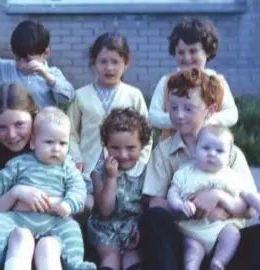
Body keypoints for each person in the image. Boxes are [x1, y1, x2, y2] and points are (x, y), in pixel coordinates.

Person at [139, 68, 259, 270]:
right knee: (152, 219)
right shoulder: (164, 151)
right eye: (173, 107)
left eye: (188, 108)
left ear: (210, 111)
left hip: (226, 242)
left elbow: (249, 208)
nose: (178, 115)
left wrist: (218, 198)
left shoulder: (230, 152)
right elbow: (156, 204)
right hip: (184, 241)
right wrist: (190, 209)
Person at [0, 106, 95, 270]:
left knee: (71, 228)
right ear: (33, 142)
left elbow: (78, 189)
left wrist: (68, 204)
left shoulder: (68, 167)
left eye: (63, 143)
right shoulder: (20, 163)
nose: (56, 148)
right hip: (20, 219)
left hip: (53, 221)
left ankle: (74, 261)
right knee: (0, 220)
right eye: (49, 142)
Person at [0, 83, 64, 270]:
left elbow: (72, 200)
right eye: (1, 127)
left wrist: (19, 204)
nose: (11, 135)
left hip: (51, 233)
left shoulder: (53, 147)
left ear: (34, 116)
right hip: (8, 237)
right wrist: (16, 193)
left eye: (19, 124)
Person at [67, 32, 151, 210]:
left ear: (126, 64)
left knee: (120, 205)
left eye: (115, 62)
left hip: (124, 167)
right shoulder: (81, 96)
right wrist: (76, 157)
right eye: (103, 62)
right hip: (88, 168)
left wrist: (139, 163)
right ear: (94, 63)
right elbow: (70, 132)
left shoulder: (133, 95)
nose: (109, 68)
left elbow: (146, 134)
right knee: (86, 205)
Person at [167, 125, 249, 270]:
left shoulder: (231, 176)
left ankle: (218, 262)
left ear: (229, 156)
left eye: (219, 151)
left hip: (221, 227)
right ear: (195, 150)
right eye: (206, 148)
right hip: (193, 230)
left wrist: (225, 200)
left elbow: (244, 199)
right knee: (192, 249)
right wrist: (179, 205)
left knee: (232, 234)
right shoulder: (185, 172)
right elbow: (172, 192)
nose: (212, 154)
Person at [148, 18, 238, 140]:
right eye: (181, 52)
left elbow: (232, 114)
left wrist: (203, 120)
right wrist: (179, 119)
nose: (187, 57)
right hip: (172, 151)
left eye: (193, 51)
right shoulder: (167, 82)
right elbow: (153, 115)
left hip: (209, 148)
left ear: (207, 52)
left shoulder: (217, 82)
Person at [88, 108, 151, 270]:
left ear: (142, 145)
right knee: (111, 256)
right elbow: (105, 210)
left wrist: (141, 227)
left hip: (133, 226)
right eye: (115, 148)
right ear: (106, 145)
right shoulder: (99, 171)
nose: (123, 155)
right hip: (105, 227)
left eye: (131, 148)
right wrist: (110, 178)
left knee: (133, 258)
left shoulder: (146, 172)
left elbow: (147, 206)